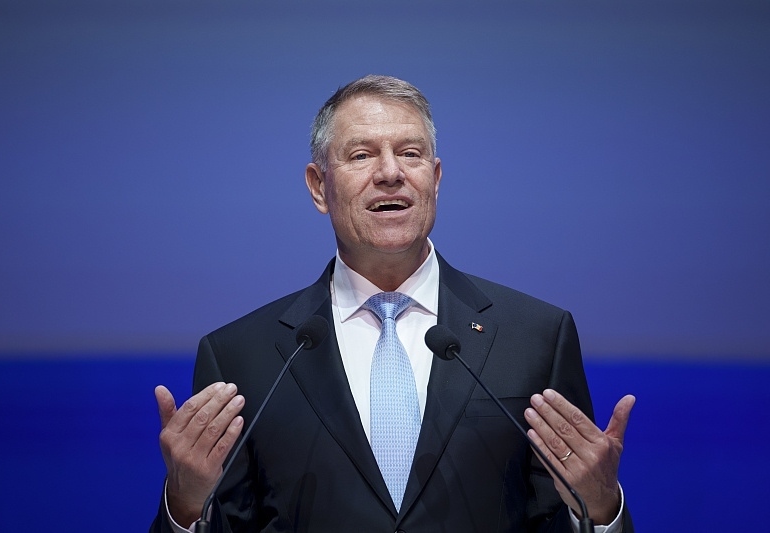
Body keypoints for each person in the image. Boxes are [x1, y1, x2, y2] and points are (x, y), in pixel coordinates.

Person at [150, 75, 636, 533]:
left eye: (410, 153)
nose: (390, 173)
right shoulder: (241, 356)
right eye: (361, 155)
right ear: (319, 186)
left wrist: (599, 509)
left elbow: (559, 515)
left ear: (435, 179)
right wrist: (185, 505)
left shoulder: (535, 337)